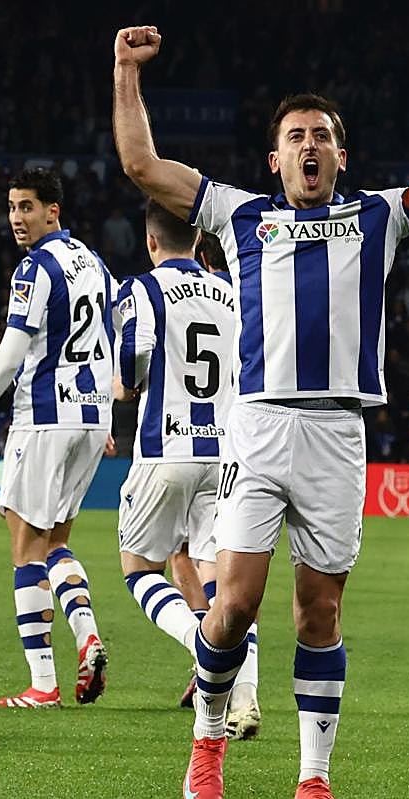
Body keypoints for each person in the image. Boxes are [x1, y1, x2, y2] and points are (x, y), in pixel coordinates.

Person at [113, 23, 409, 799]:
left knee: (319, 611)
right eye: (296, 138)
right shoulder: (239, 215)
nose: (310, 147)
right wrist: (126, 71)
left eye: (322, 136)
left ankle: (313, 780)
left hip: (337, 433)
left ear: (341, 156)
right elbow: (140, 165)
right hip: (255, 431)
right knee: (236, 605)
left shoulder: (382, 217)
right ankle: (210, 735)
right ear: (275, 159)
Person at [0, 167, 114, 709]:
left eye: (26, 207)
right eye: (11, 208)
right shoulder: (94, 263)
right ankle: (88, 637)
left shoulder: (34, 269)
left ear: (54, 210)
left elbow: (11, 353)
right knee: (57, 543)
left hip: (46, 417)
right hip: (90, 420)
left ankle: (44, 683)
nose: (16, 219)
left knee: (25, 548)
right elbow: (117, 333)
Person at [114, 203, 259, 737]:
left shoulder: (143, 289)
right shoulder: (232, 293)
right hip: (226, 452)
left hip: (166, 447)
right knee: (224, 577)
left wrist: (128, 385)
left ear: (151, 242)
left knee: (139, 569)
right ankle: (244, 696)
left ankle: (201, 642)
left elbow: (134, 352)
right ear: (200, 238)